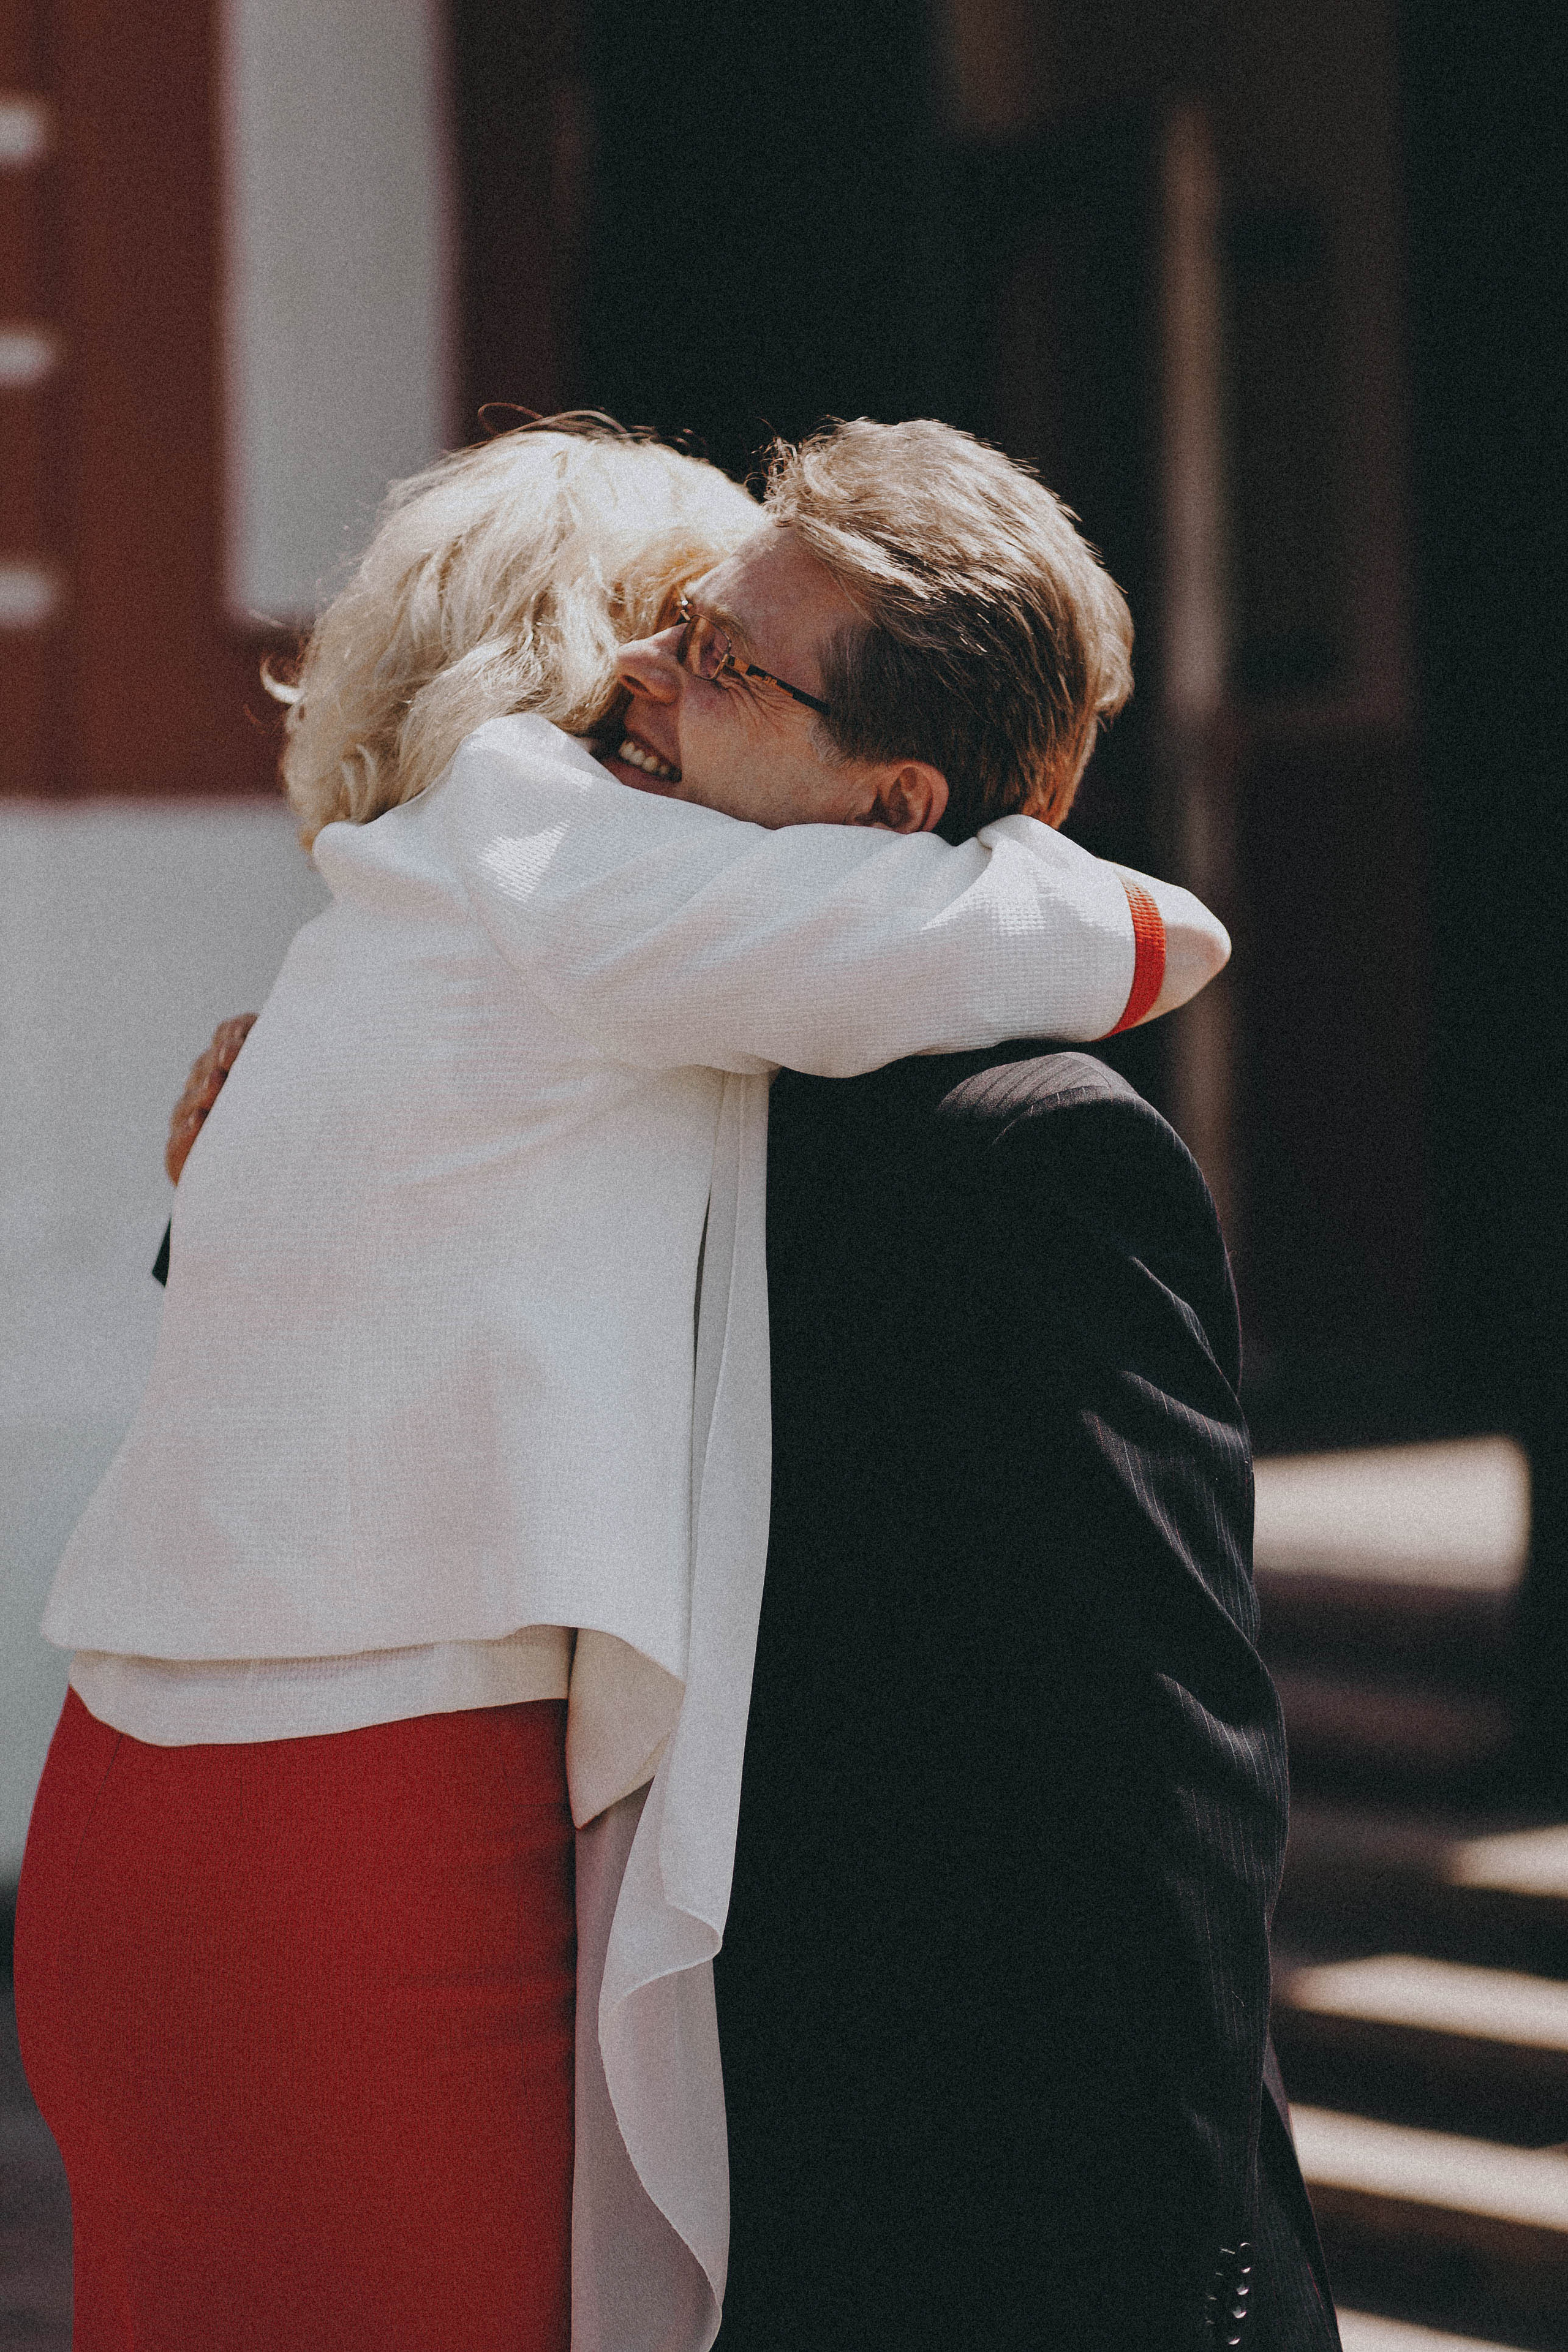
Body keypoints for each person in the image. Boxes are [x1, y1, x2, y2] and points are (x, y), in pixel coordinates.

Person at [15, 413, 1227, 2352]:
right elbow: (1080, 931)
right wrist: (1092, 872)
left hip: (129, 1814)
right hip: (367, 1820)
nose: (658, 679)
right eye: (663, 630)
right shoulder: (556, 846)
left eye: (716, 653)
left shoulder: (404, 939)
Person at [717, 1046, 1341, 2351]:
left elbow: (1180, 1801)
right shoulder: (669, 1154)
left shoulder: (1037, 1149)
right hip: (812, 2206)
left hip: (1071, 2230)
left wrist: (1190, 2299)